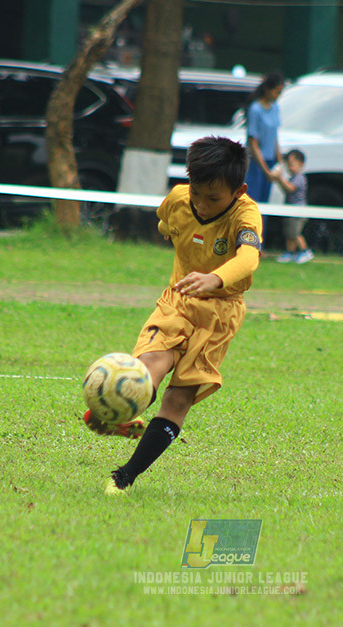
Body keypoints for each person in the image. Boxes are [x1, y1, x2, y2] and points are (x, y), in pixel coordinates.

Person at [83, 135, 263, 495]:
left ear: (239, 190)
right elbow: (166, 221)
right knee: (151, 364)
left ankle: (124, 476)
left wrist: (215, 277)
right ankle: (117, 408)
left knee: (178, 400)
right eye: (197, 193)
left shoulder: (246, 214)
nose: (202, 204)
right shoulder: (179, 198)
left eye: (214, 198)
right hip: (178, 300)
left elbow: (249, 257)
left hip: (219, 314)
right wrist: (170, 231)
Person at [244, 71, 285, 204]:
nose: (278, 96)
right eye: (276, 92)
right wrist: (265, 170)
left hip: (270, 161)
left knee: (265, 202)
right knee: (253, 201)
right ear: (267, 89)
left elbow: (274, 137)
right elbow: (253, 142)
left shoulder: (275, 108)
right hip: (256, 163)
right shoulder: (255, 109)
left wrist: (279, 161)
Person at [274, 149, 314, 264]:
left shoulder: (300, 178)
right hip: (290, 210)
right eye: (288, 165)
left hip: (297, 211)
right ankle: (289, 253)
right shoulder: (292, 178)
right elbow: (286, 189)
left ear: (301, 164)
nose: (289, 168)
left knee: (295, 233)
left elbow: (290, 188)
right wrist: (279, 180)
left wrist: (279, 178)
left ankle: (305, 251)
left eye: (291, 165)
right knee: (289, 233)